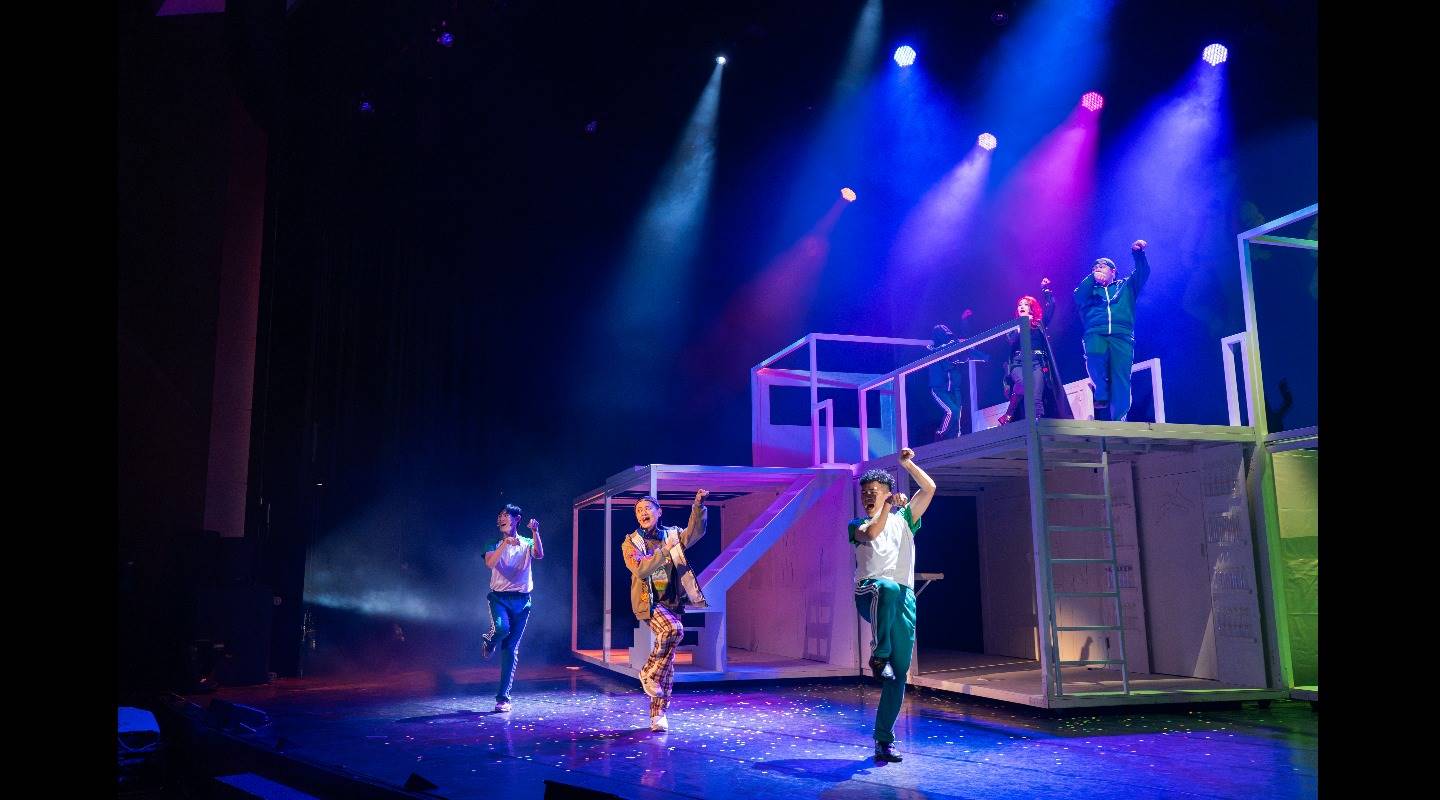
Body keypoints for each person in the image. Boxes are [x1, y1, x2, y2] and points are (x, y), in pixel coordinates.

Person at [850, 448, 936, 763]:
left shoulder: (905, 520)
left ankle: (884, 739)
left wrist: (906, 464)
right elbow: (872, 533)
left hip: (903, 599)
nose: (867, 497)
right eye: (864, 493)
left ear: (887, 492)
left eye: (873, 492)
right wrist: (886, 507)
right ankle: (879, 654)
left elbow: (929, 488)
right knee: (885, 587)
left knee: (898, 674)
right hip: (869, 593)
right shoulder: (857, 524)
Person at [622, 489, 709, 732]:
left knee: (668, 662)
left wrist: (698, 505)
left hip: (671, 601)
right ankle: (647, 672)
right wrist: (663, 551)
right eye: (639, 510)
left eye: (647, 508)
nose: (643, 513)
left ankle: (658, 714)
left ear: (659, 512)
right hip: (648, 602)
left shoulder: (672, 534)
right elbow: (641, 569)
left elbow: (696, 532)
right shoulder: (631, 542)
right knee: (674, 629)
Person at [1074, 240, 1151, 421]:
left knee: (1121, 378)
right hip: (1096, 331)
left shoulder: (1126, 286)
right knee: (1094, 354)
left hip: (1122, 335)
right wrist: (1091, 279)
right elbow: (1078, 296)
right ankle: (1101, 390)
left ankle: (1119, 421)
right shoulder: (1090, 290)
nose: (1098, 269)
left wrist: (1138, 253)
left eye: (1102, 267)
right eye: (1095, 268)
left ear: (1113, 272)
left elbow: (1143, 273)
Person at [481, 504, 543, 713]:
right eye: (499, 515)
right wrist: (505, 544)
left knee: (510, 650)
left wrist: (535, 532)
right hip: (499, 599)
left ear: (517, 519)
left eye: (506, 515)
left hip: (522, 601)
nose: (501, 519)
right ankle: (490, 641)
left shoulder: (526, 542)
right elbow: (490, 563)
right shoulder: (493, 543)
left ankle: (503, 698)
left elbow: (539, 554)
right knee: (501, 629)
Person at [996, 279, 1074, 424]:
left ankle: (1037, 426)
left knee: (1036, 396)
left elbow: (1051, 307)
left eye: (1025, 304)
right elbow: (1011, 340)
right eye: (1020, 305)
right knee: (1024, 383)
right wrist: (1021, 326)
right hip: (1018, 363)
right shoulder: (1013, 326)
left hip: (1038, 363)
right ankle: (1009, 413)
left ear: (1031, 308)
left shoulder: (1039, 324)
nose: (1022, 306)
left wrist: (1046, 290)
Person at [927, 310, 986, 440]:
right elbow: (950, 353)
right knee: (952, 411)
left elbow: (965, 349)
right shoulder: (935, 352)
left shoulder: (952, 346)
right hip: (939, 389)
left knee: (957, 413)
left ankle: (955, 438)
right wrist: (956, 354)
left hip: (954, 388)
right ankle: (941, 434)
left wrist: (984, 357)